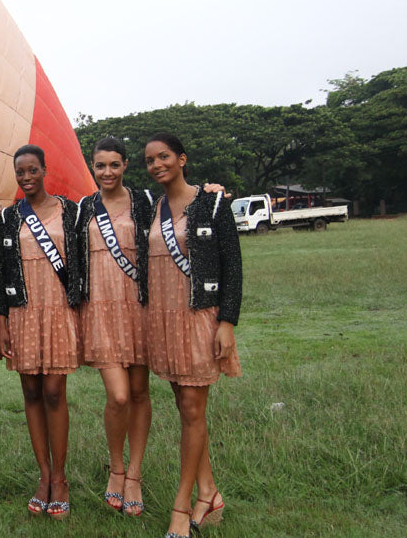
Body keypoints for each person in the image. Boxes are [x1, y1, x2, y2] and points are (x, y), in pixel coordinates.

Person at [140, 133, 242, 538]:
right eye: (150, 160)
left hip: (199, 317)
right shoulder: (151, 207)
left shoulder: (212, 203)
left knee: (194, 409)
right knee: (185, 409)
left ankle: (181, 509)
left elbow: (232, 266)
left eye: (164, 156)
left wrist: (227, 322)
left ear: (182, 159)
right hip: (163, 319)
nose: (157, 165)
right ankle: (209, 494)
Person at [0, 144, 81, 520]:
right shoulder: (8, 217)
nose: (27, 177)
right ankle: (43, 477)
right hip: (22, 311)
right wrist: (2, 320)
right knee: (30, 391)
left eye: (32, 170)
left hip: (58, 309)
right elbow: (1, 271)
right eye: (21, 172)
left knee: (53, 392)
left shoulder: (71, 211)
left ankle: (60, 479)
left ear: (45, 170)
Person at [73, 137, 155, 517]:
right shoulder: (83, 208)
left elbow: (184, 210)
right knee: (119, 396)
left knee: (139, 393)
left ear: (125, 165)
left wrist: (211, 192)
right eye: (100, 166)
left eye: (114, 165)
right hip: (100, 310)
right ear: (93, 167)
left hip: (138, 308)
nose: (107, 172)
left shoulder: (145, 202)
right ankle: (116, 467)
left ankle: (134, 474)